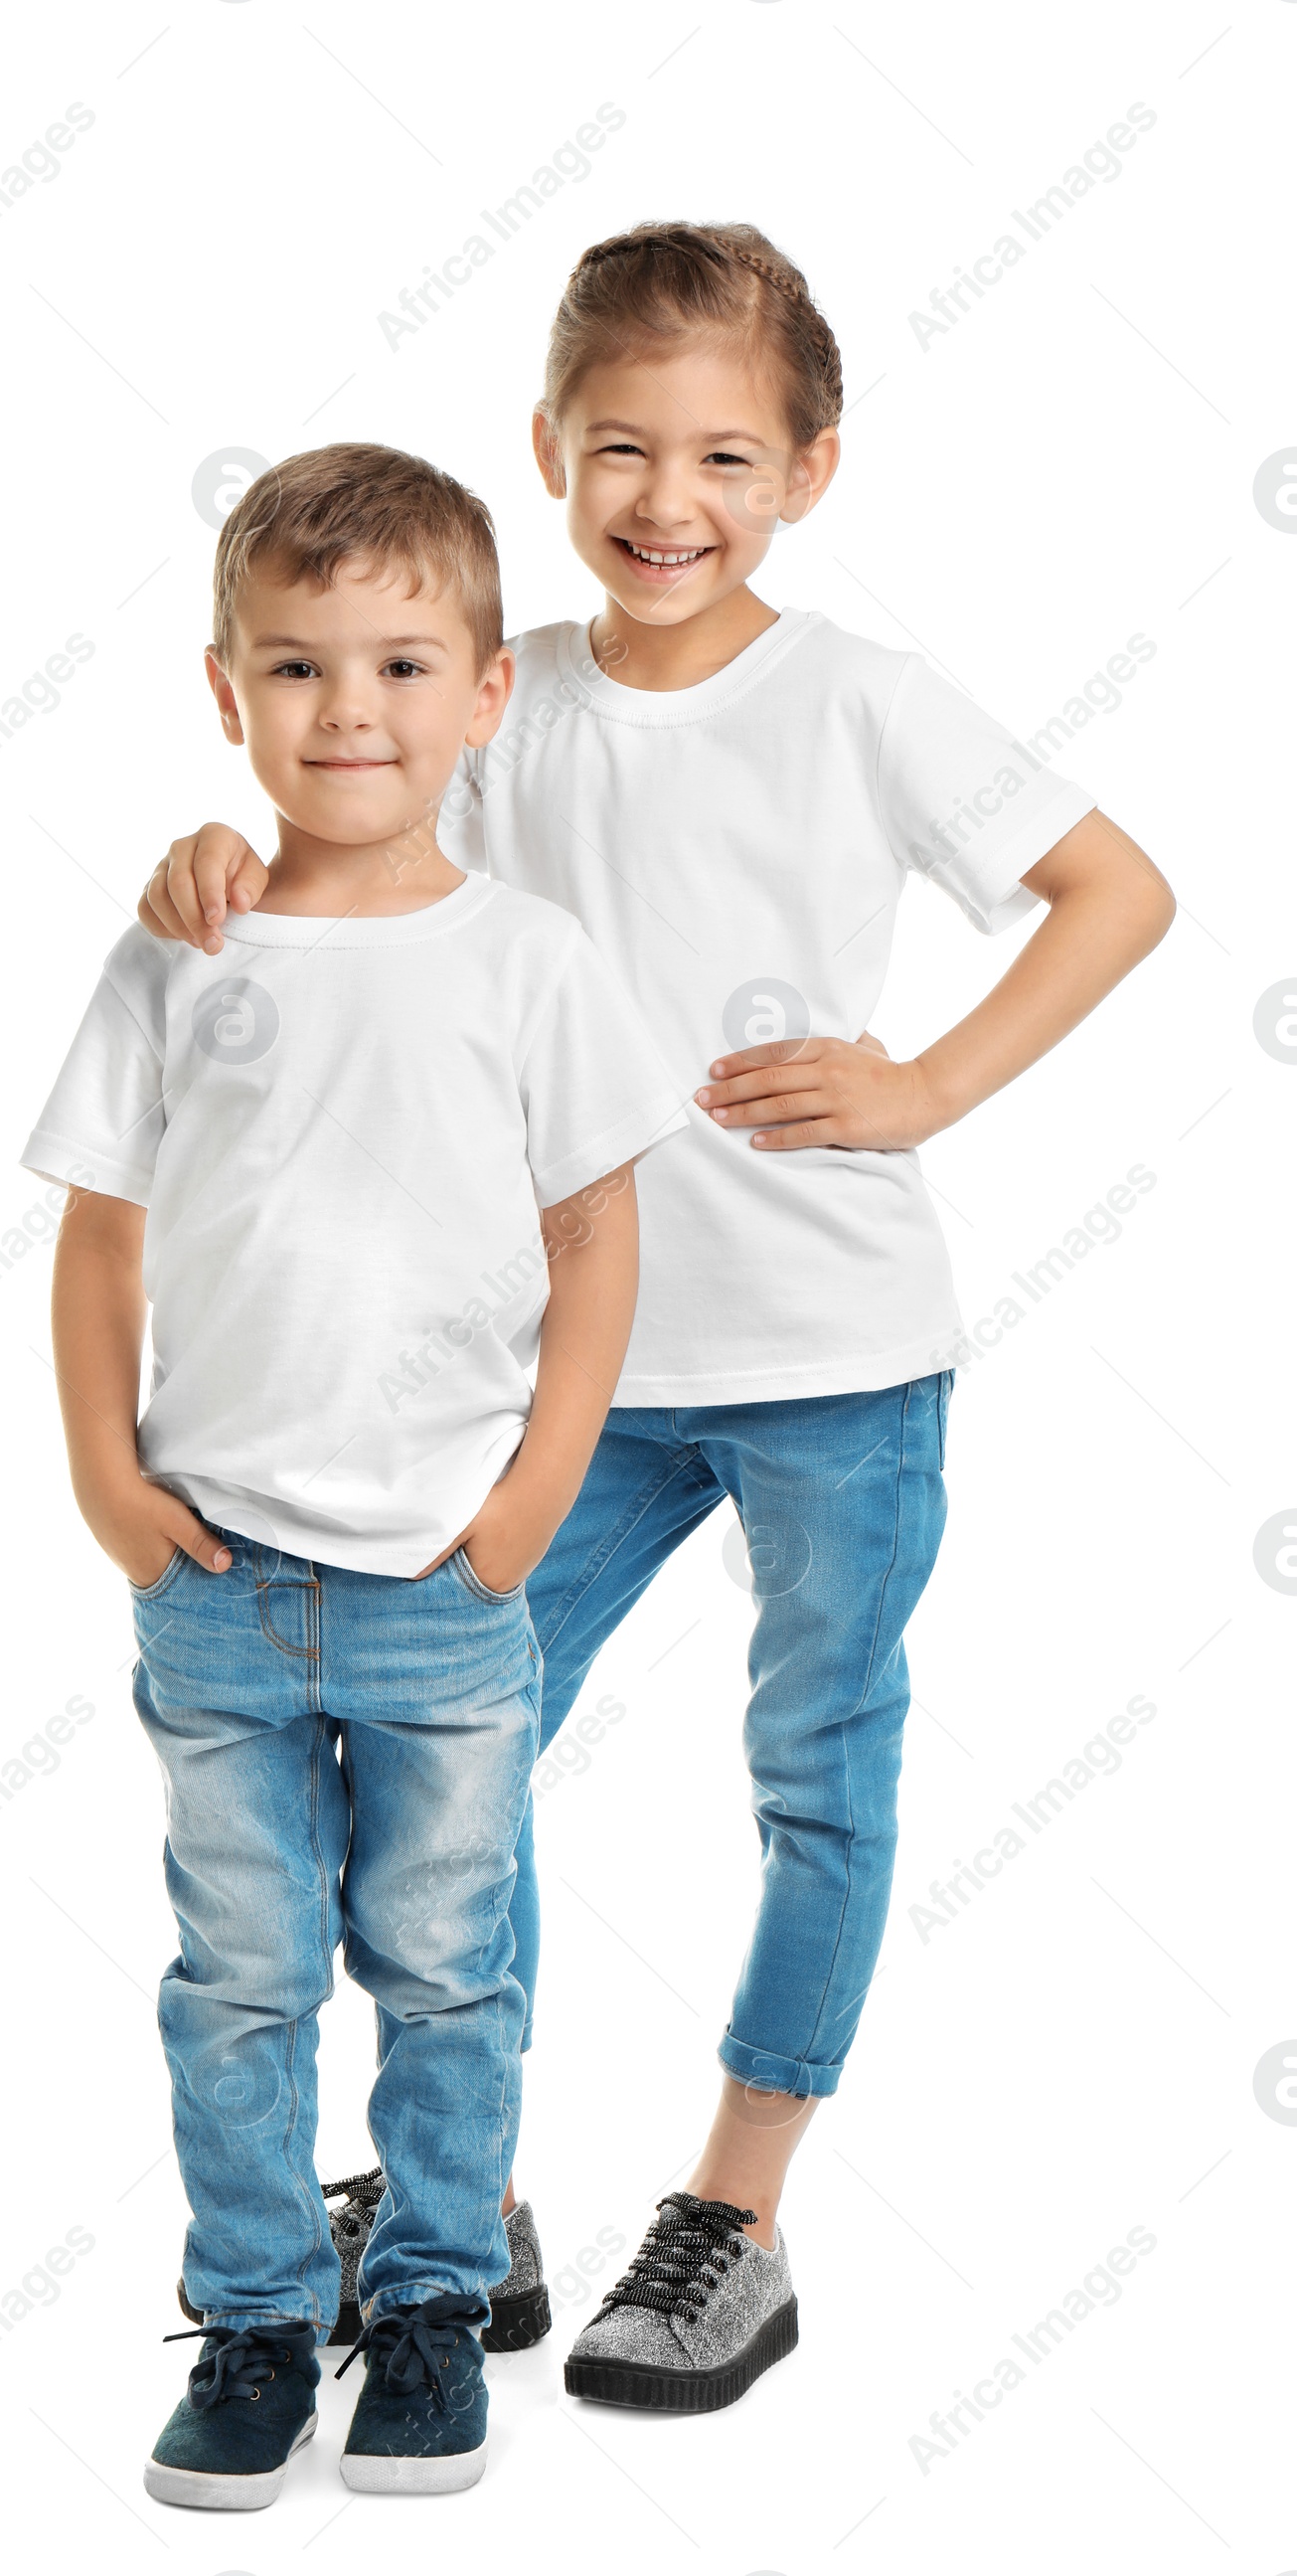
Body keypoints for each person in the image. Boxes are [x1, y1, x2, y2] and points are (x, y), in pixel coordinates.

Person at [129, 220, 1177, 2416]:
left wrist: (921, 1085)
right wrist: (211, 860)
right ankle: (466, 2200)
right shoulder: (492, 684)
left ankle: (732, 2209)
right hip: (564, 1381)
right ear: (545, 453)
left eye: (721, 452)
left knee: (816, 1775)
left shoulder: (859, 701)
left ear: (804, 469)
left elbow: (1116, 890)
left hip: (833, 1360)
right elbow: (356, 847)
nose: (665, 497)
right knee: (458, 1757)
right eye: (620, 447)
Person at [22, 442, 685, 2501]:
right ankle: (249, 2317)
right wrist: (101, 1477)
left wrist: (531, 1498)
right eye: (298, 669)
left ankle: (420, 2302)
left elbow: (597, 1238)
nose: (350, 715)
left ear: (487, 690)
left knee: (443, 1964)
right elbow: (100, 1231)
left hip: (440, 1582)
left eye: (401, 665)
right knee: (234, 1972)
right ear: (226, 693)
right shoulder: (181, 951)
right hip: (212, 1572)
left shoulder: (529, 963)